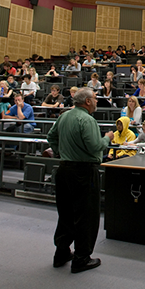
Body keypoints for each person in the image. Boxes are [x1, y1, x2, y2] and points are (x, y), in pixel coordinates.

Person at [47, 87, 113, 273]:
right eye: (95, 98)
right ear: (87, 102)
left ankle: (61, 253)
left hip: (64, 170)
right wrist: (107, 138)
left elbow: (51, 136)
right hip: (84, 173)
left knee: (66, 214)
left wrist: (59, 151)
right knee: (86, 216)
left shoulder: (64, 116)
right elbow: (95, 147)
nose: (97, 101)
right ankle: (81, 258)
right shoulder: (88, 120)